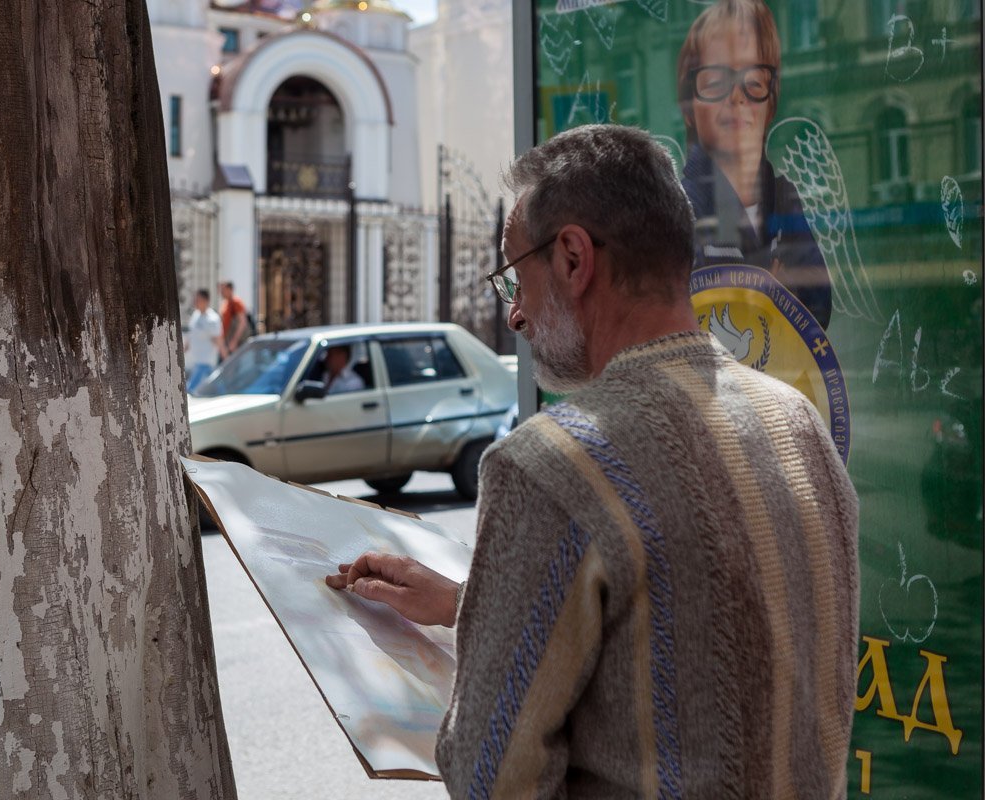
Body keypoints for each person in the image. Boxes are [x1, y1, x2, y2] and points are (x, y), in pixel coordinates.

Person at [326, 124, 859, 798]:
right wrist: (468, 607)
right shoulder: (798, 425)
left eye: (515, 277)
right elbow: (693, 628)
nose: (514, 314)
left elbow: (494, 779)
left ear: (574, 259)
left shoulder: (550, 465)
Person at [677, 0, 832, 328]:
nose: (737, 97)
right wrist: (769, 290)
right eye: (715, 82)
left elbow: (818, 308)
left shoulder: (783, 198)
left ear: (770, 106)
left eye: (754, 83)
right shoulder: (679, 208)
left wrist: (751, 293)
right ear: (689, 107)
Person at [183, 289, 223, 393]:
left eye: (198, 299)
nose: (195, 302)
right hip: (196, 362)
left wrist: (226, 358)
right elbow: (191, 335)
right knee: (211, 392)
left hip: (206, 363)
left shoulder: (212, 319)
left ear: (206, 300)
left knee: (190, 390)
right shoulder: (195, 315)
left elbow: (218, 340)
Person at [218, 281, 250, 357]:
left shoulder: (236, 302)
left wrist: (234, 341)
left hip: (234, 343)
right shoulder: (225, 303)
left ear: (230, 289)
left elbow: (242, 323)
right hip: (227, 341)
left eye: (223, 289)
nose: (221, 292)